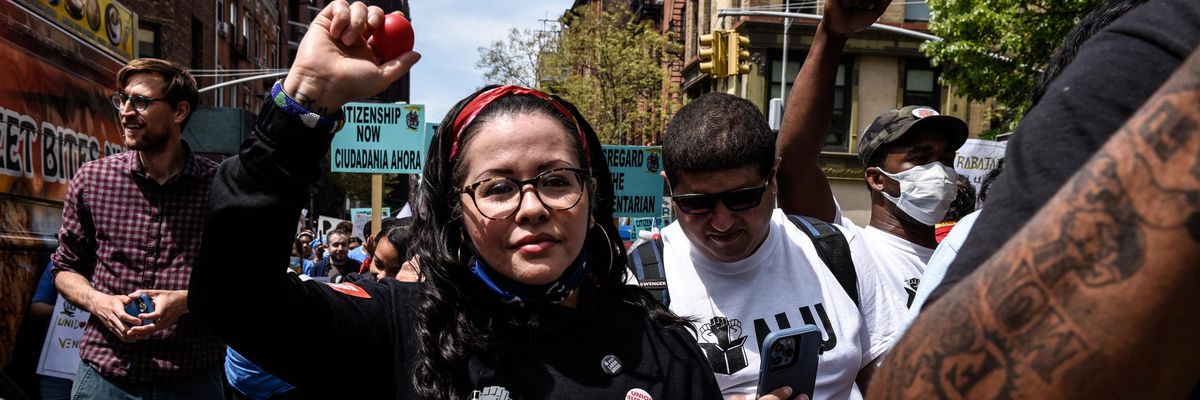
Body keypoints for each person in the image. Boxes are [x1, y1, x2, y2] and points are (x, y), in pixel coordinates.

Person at [188, 2, 723, 399]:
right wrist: (305, 99)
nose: (532, 207)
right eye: (498, 187)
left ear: (590, 194)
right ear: (454, 210)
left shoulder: (662, 349)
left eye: (557, 180)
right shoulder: (395, 329)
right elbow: (233, 297)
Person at [869, 39, 1200, 399]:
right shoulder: (862, 252)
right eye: (920, 158)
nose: (941, 171)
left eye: (947, 159)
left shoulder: (960, 242)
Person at [644, 2, 901, 398]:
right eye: (697, 204)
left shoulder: (835, 250)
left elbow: (890, 382)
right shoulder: (644, 281)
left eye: (743, 199)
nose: (723, 222)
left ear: (773, 180)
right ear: (670, 191)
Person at [50, 58, 223, 398]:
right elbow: (64, 268)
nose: (126, 111)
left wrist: (186, 302)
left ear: (179, 111)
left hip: (192, 378)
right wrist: (98, 302)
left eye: (141, 101)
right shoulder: (92, 180)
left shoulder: (218, 187)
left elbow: (244, 279)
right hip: (106, 376)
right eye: (123, 99)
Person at [30, 263, 74, 400]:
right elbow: (36, 307)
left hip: (99, 366)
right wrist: (70, 311)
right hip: (58, 364)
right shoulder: (59, 263)